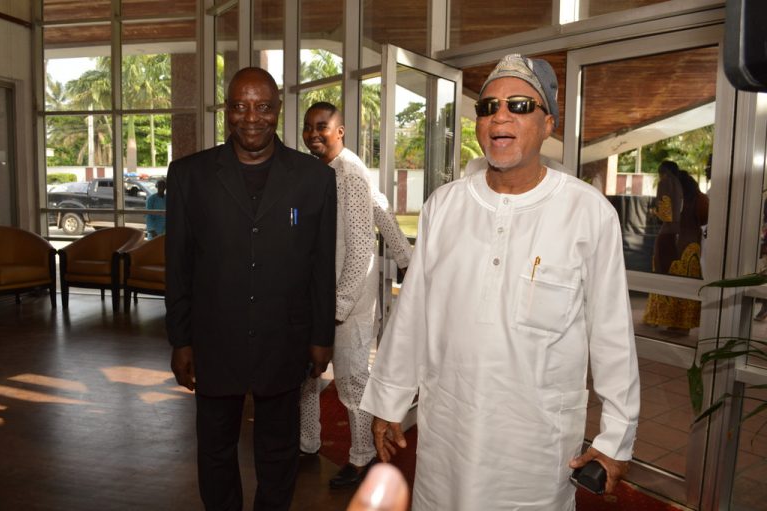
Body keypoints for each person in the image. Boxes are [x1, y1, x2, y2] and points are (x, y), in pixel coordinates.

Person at [360, 54, 640, 510]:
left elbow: (613, 337)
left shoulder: (588, 213)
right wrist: (389, 400)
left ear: (548, 124)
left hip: (535, 448)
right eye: (488, 107)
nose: (500, 116)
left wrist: (616, 438)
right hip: (448, 434)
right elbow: (413, 313)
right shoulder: (444, 206)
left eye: (519, 105)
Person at [165, 67, 337, 511]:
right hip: (214, 341)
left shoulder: (314, 178)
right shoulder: (189, 175)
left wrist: (322, 336)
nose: (251, 117)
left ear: (278, 110)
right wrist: (180, 340)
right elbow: (178, 267)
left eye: (262, 106)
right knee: (215, 449)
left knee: (279, 451)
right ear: (227, 110)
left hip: (285, 340)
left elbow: (321, 265)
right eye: (240, 106)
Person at [299, 101, 412, 489]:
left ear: (340, 131)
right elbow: (380, 207)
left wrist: (339, 307)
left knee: (351, 381)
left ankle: (362, 457)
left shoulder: (349, 172)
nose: (314, 134)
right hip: (319, 295)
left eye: (322, 127)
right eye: (308, 127)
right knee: (308, 376)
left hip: (349, 301)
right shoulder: (322, 170)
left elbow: (363, 245)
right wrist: (405, 256)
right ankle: (307, 443)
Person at [644, 170, 709, 333]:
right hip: (689, 244)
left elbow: (662, 216)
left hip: (667, 240)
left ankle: (659, 318)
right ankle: (680, 324)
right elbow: (705, 219)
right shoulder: (700, 199)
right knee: (685, 282)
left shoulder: (672, 198)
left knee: (663, 279)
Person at [643, 160, 684, 329]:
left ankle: (658, 317)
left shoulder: (665, 183)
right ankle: (673, 318)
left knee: (660, 273)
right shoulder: (679, 184)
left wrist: (654, 211)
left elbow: (666, 214)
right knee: (672, 274)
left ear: (663, 172)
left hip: (666, 231)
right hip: (678, 232)